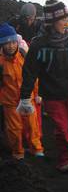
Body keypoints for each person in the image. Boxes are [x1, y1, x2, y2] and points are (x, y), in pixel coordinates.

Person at [19, 0, 68, 173]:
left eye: (67, 17)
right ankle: (67, 158)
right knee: (61, 129)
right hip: (51, 95)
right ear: (52, 21)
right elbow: (29, 72)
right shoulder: (38, 44)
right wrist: (25, 97)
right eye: (62, 19)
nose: (66, 22)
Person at [0, 23, 44, 160]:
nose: (11, 46)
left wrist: (37, 94)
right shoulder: (0, 63)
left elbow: (33, 77)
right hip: (10, 102)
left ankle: (36, 148)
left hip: (27, 98)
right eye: (7, 43)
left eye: (13, 42)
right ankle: (18, 152)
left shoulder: (24, 56)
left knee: (32, 125)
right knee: (14, 129)